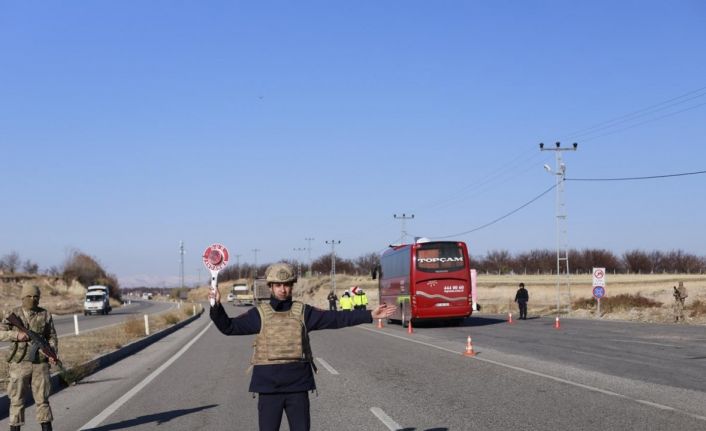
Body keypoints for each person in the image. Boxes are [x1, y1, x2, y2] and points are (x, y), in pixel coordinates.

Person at [210, 262, 396, 431]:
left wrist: (370, 314)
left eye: (287, 284)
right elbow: (229, 327)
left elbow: (337, 318)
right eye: (278, 285)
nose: (283, 289)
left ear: (292, 286)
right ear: (271, 287)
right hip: (268, 388)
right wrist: (216, 306)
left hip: (297, 386)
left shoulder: (303, 312)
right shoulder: (258, 314)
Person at [0, 285, 58, 431]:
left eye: (36, 297)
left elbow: (52, 336)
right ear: (23, 297)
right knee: (16, 401)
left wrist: (52, 353)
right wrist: (16, 335)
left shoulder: (45, 314)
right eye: (29, 296)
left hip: (40, 364)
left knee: (43, 401)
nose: (33, 299)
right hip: (19, 364)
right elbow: (1, 333)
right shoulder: (14, 314)